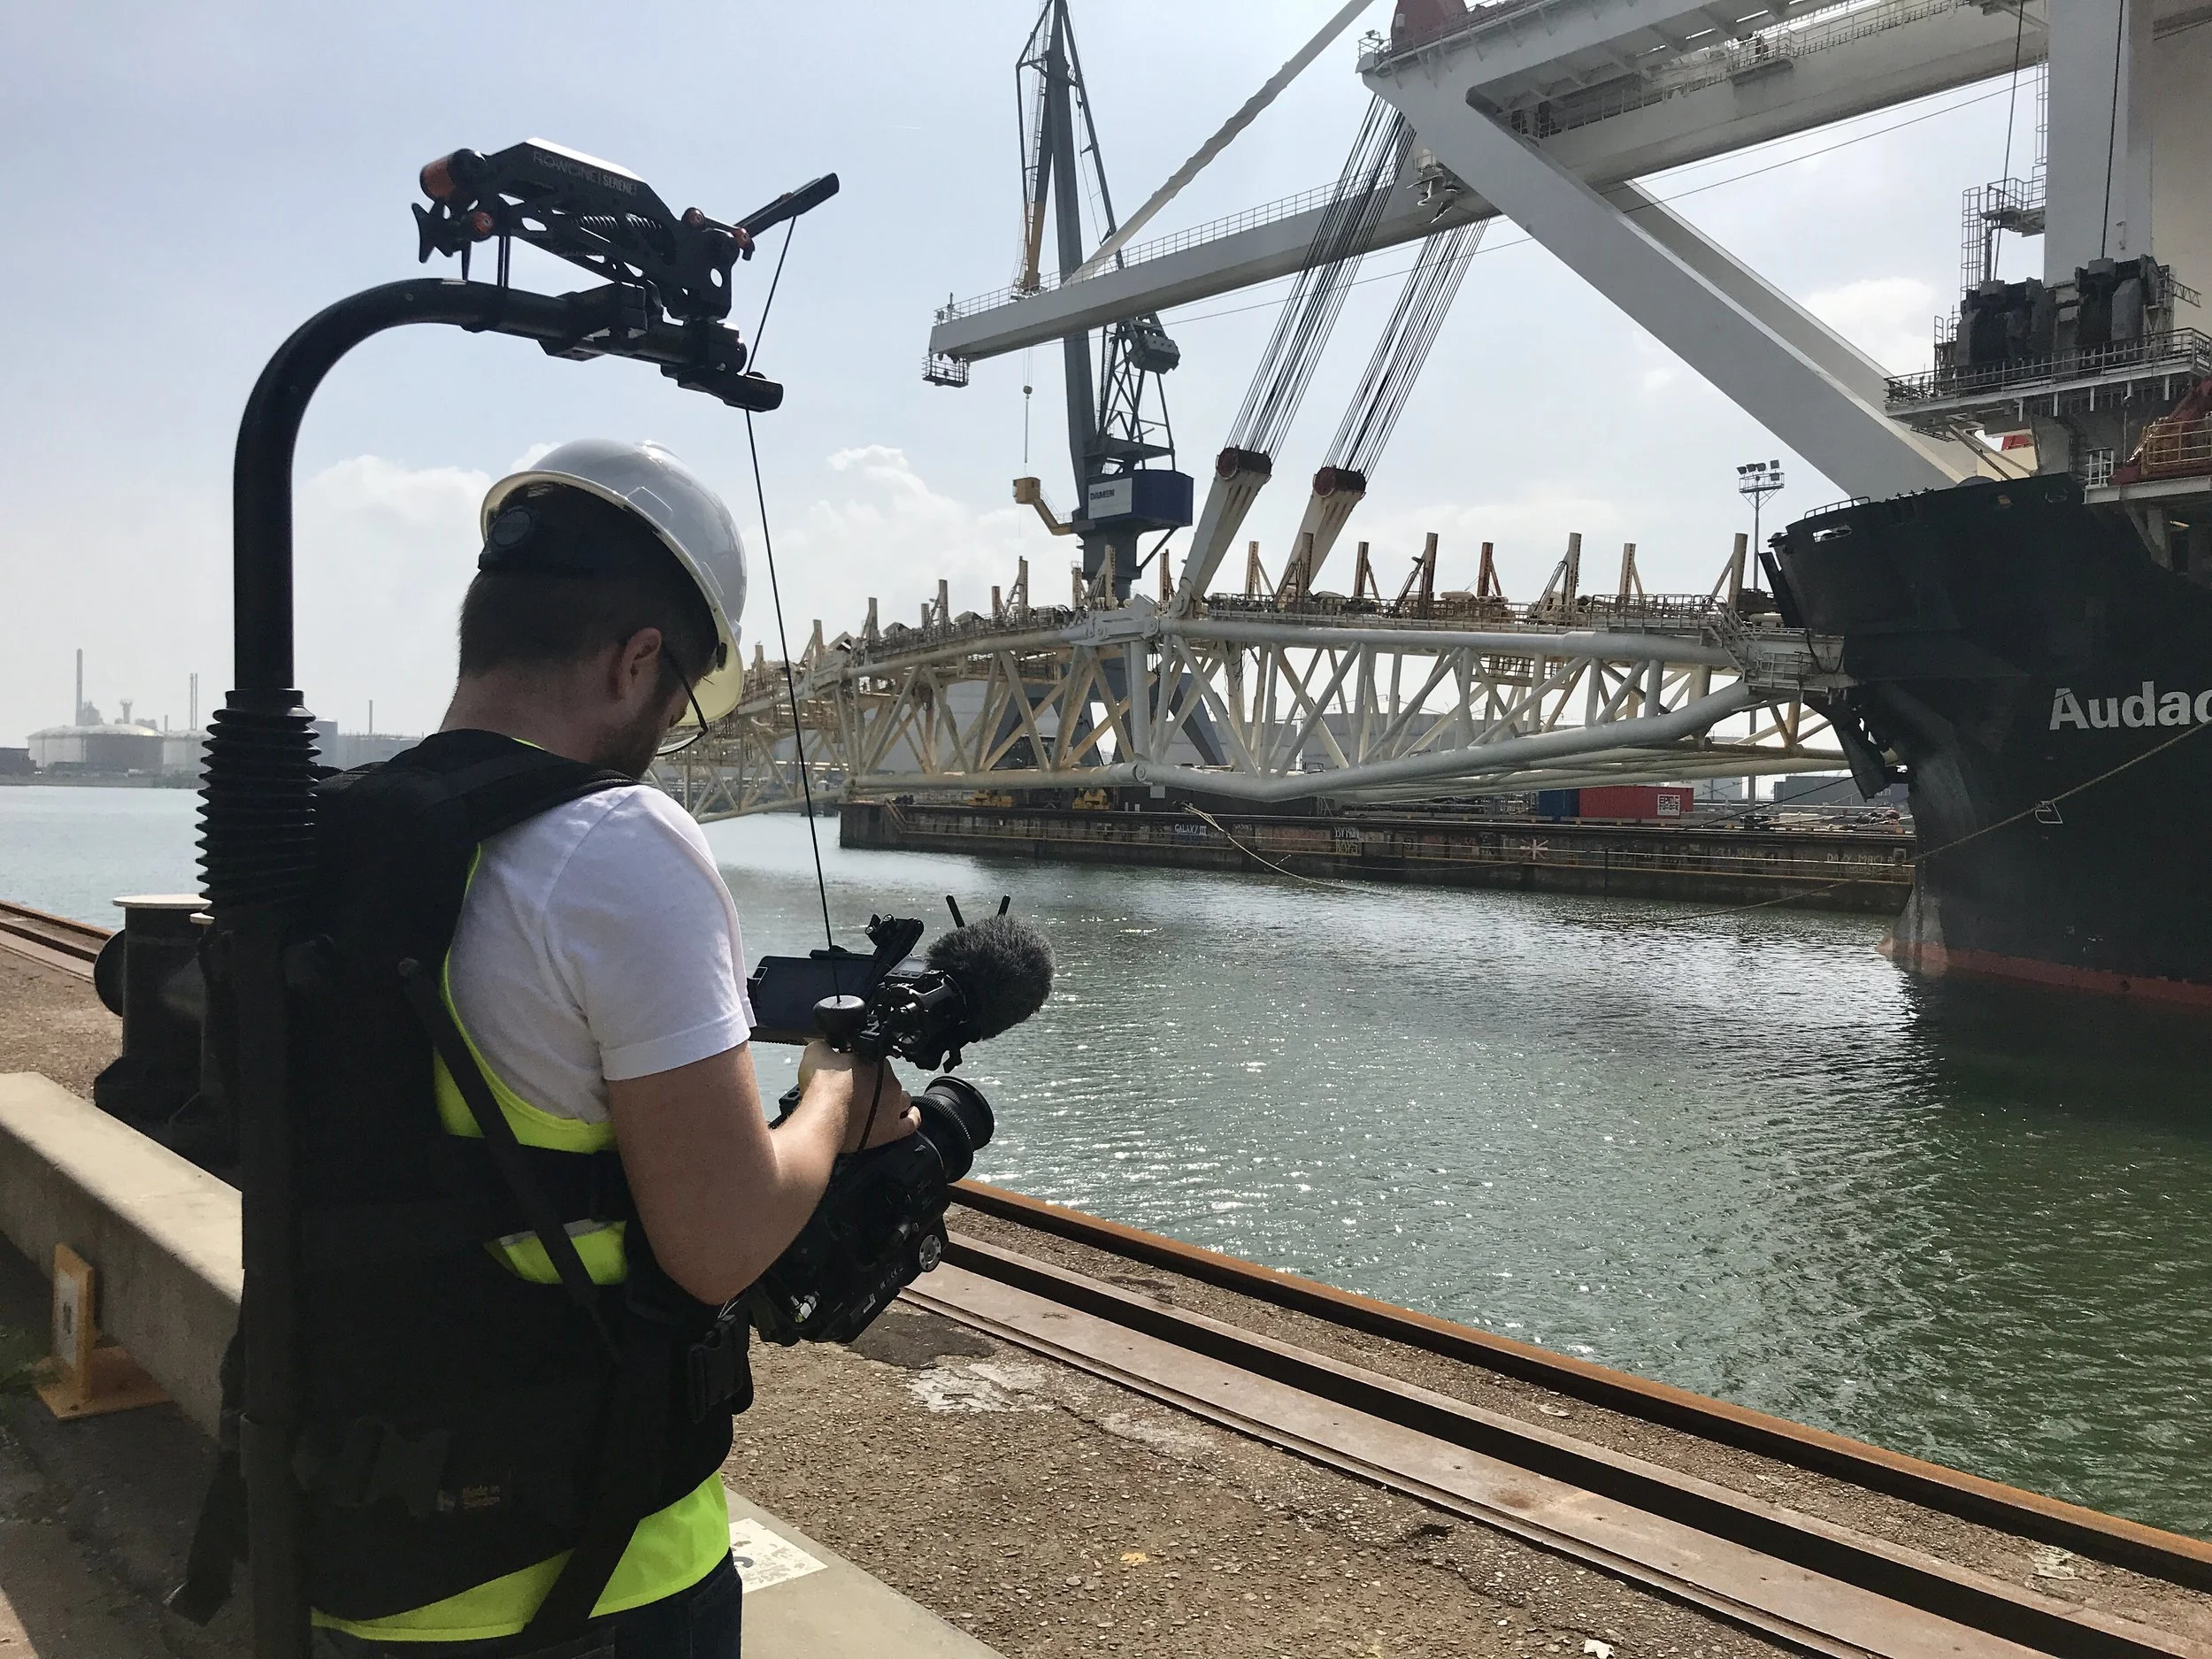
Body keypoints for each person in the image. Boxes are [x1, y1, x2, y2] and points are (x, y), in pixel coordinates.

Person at [285, 439, 913, 1657]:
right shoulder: (617, 841)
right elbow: (722, 1237)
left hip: (358, 1546)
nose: (668, 728)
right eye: (676, 695)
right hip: (589, 1575)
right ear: (636, 661)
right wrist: (835, 1093)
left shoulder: (348, 837)